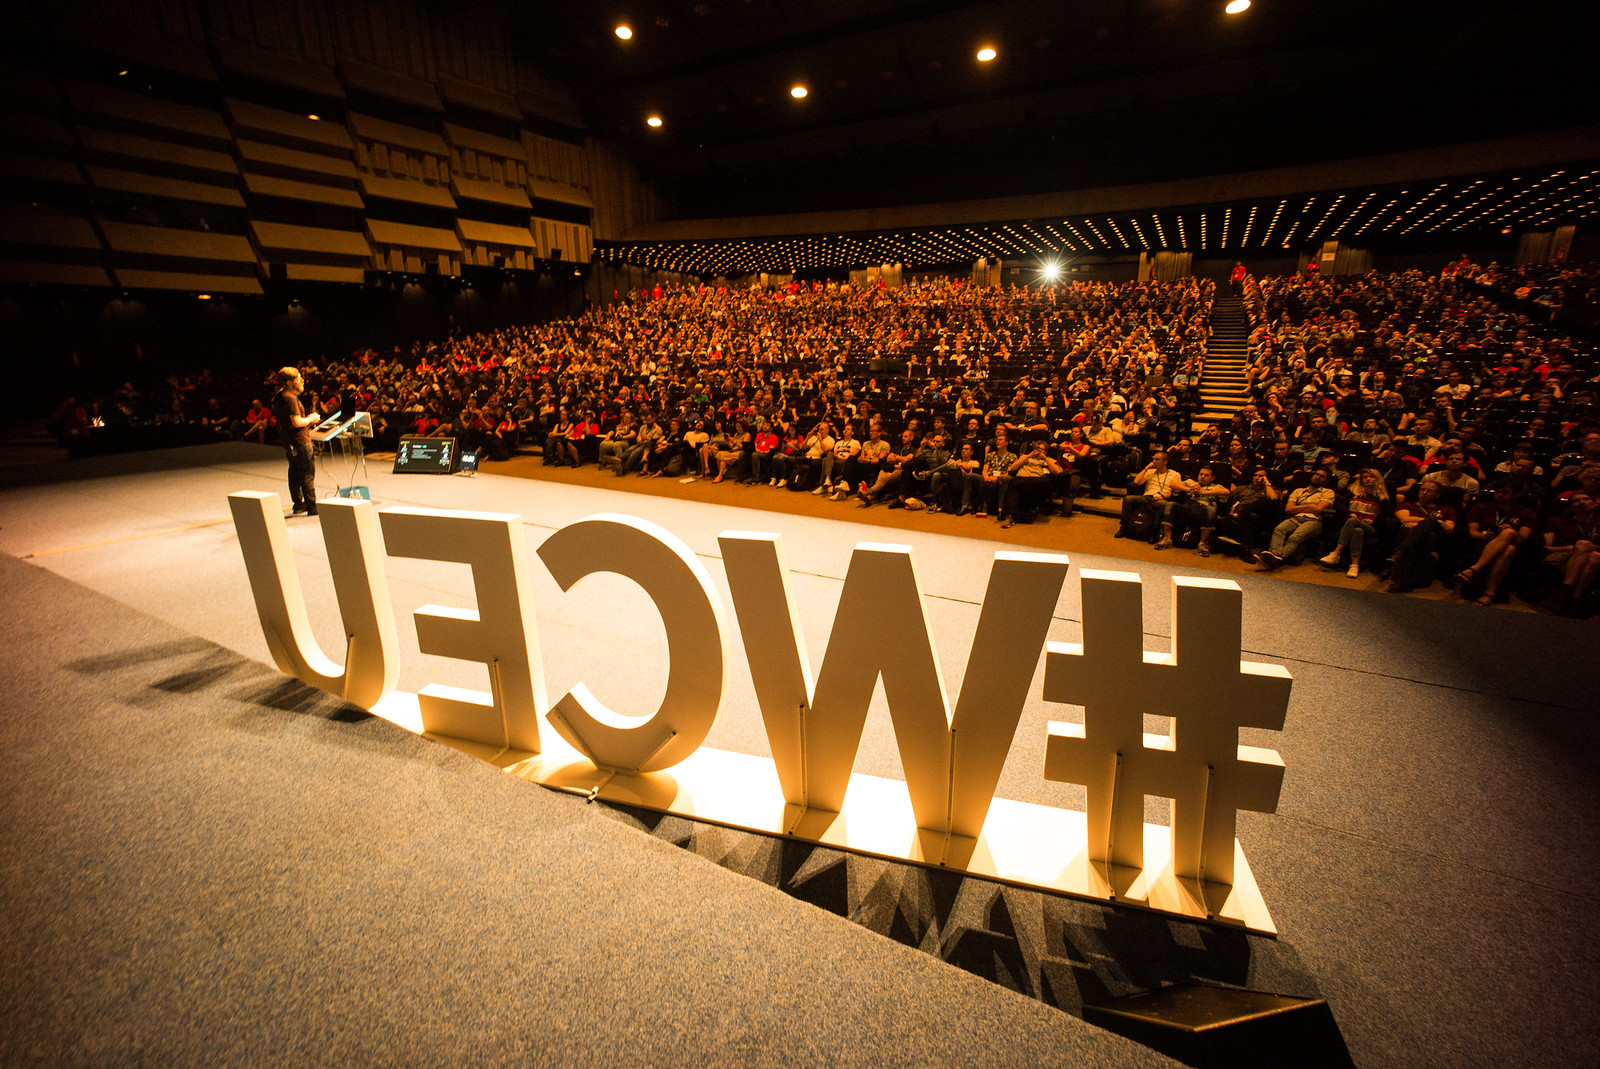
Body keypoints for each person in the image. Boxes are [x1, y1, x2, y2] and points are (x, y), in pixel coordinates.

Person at [1457, 480, 1538, 606]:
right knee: (1507, 550)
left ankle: (1475, 569)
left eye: (1505, 492)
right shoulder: (1481, 507)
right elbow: (1473, 533)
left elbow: (1523, 535)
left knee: (1509, 533)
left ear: (1516, 494)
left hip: (1518, 543)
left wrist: (1508, 530)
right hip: (1487, 542)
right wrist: (1482, 534)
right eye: (1497, 492)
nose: (1499, 495)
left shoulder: (1526, 512)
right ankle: (1490, 593)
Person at [1258, 467, 1335, 570]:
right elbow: (1288, 509)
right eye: (1317, 474)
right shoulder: (1298, 491)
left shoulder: (1328, 492)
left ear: (1326, 481)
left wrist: (1299, 508)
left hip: (1314, 521)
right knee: (1279, 529)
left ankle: (1277, 558)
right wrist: (1310, 506)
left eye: (1322, 476)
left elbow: (1319, 509)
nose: (1318, 477)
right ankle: (1274, 554)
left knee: (1295, 537)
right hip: (1296, 518)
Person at [1319, 468, 1390, 578]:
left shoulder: (1382, 498)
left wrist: (1373, 521)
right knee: (1357, 530)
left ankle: (1336, 553)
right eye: (1365, 477)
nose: (1368, 479)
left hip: (1371, 528)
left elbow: (1386, 516)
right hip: (1352, 527)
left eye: (1371, 477)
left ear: (1378, 479)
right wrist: (1350, 513)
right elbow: (1340, 506)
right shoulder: (1352, 492)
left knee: (1353, 522)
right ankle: (1354, 565)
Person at [271, 366, 320, 516]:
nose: (302, 381)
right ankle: (312, 507)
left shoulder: (279, 396)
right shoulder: (291, 398)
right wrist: (311, 418)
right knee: (307, 473)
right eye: (298, 379)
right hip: (300, 441)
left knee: (294, 473)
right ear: (289, 382)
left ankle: (298, 504)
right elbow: (296, 422)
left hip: (288, 441)